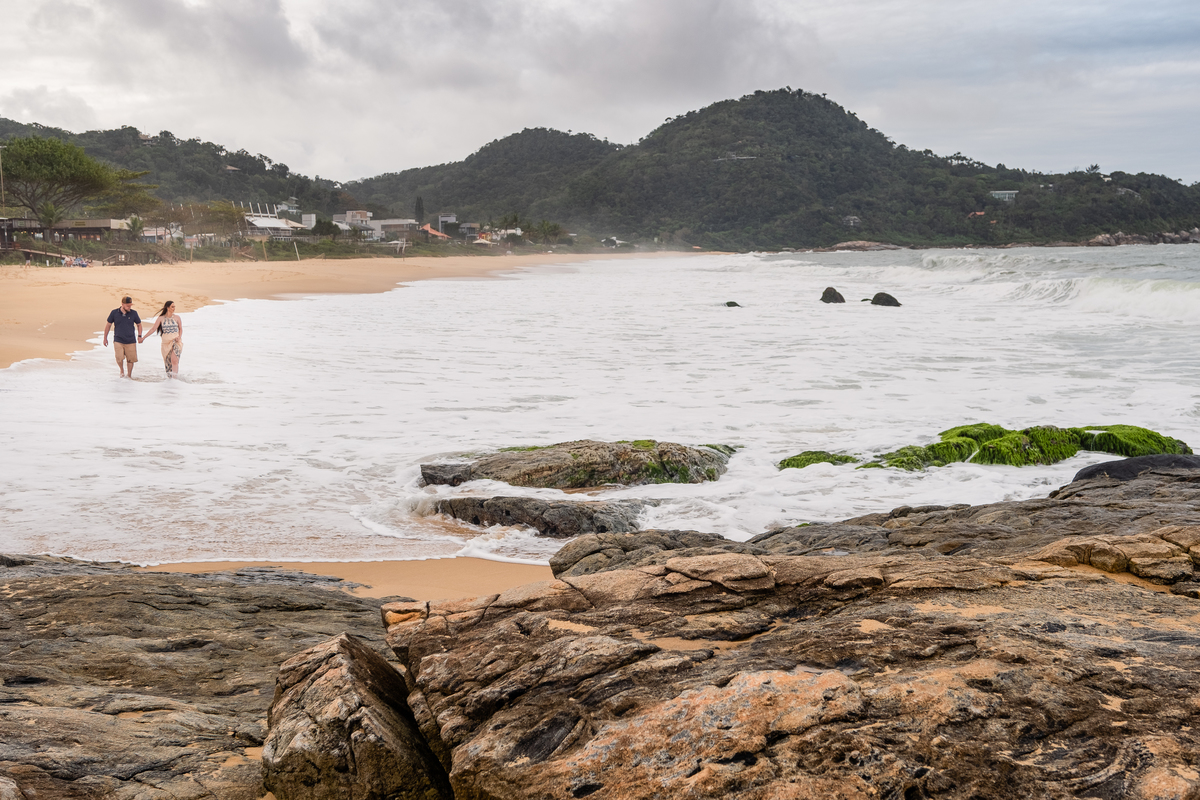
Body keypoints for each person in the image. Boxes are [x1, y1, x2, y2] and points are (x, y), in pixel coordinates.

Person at [141, 300, 184, 378]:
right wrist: (143, 338)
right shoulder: (161, 318)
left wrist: (179, 337)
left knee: (174, 360)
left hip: (176, 342)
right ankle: (170, 381)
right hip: (166, 343)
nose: (174, 308)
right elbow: (153, 329)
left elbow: (180, 329)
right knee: (168, 365)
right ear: (168, 308)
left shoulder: (177, 317)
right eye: (172, 307)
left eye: (174, 306)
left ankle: (175, 379)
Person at [103, 296, 143, 378]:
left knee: (131, 359)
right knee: (119, 357)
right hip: (118, 339)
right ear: (122, 304)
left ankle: (129, 375)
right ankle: (121, 370)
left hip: (131, 340)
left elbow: (139, 325)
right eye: (128, 305)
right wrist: (105, 338)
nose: (129, 307)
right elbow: (108, 325)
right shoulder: (114, 313)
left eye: (130, 305)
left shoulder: (134, 313)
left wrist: (139, 336)